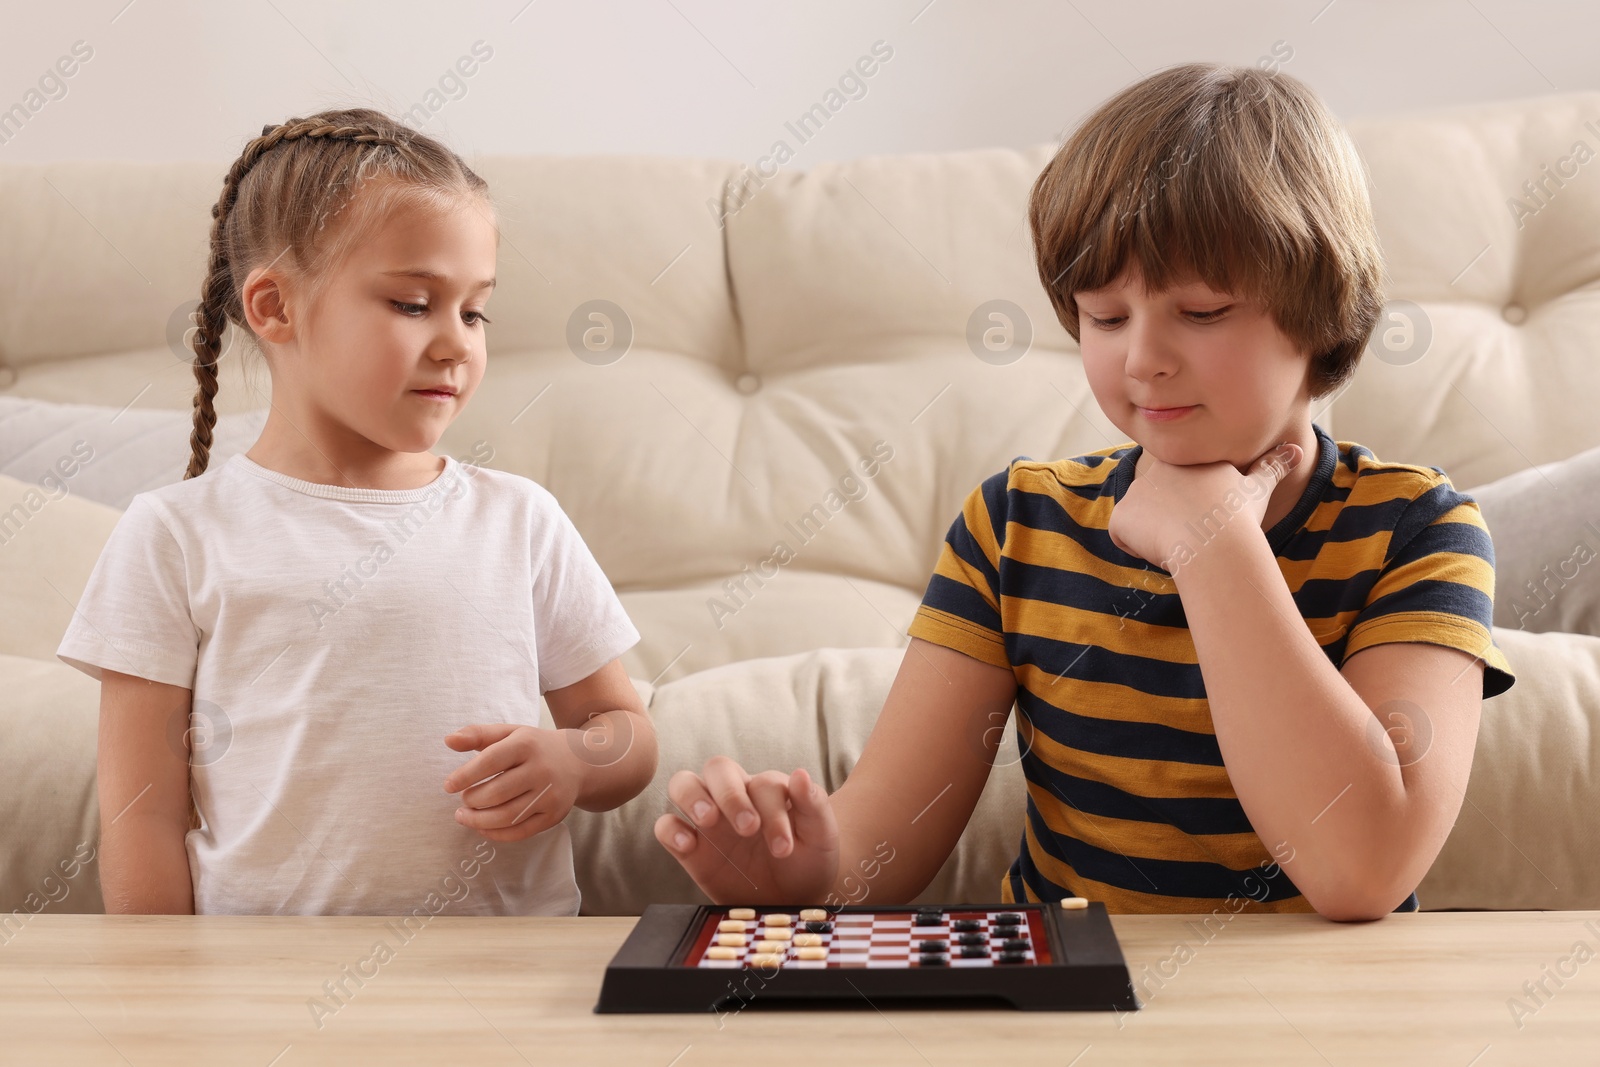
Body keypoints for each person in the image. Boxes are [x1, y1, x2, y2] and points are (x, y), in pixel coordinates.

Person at [654, 63, 1517, 921]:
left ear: (1325, 307)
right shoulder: (1017, 526)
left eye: (1203, 311)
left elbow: (1362, 868)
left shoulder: (1419, 530)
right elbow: (883, 841)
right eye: (1105, 316)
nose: (1142, 358)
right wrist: (803, 873)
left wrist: (1215, 547)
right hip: (1075, 1008)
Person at [56, 108, 656, 916]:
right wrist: (168, 1011)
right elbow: (145, 822)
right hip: (262, 998)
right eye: (414, 304)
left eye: (474, 311)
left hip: (504, 991)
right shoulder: (174, 536)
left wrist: (578, 762)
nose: (456, 343)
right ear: (274, 308)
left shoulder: (520, 520)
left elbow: (626, 731)